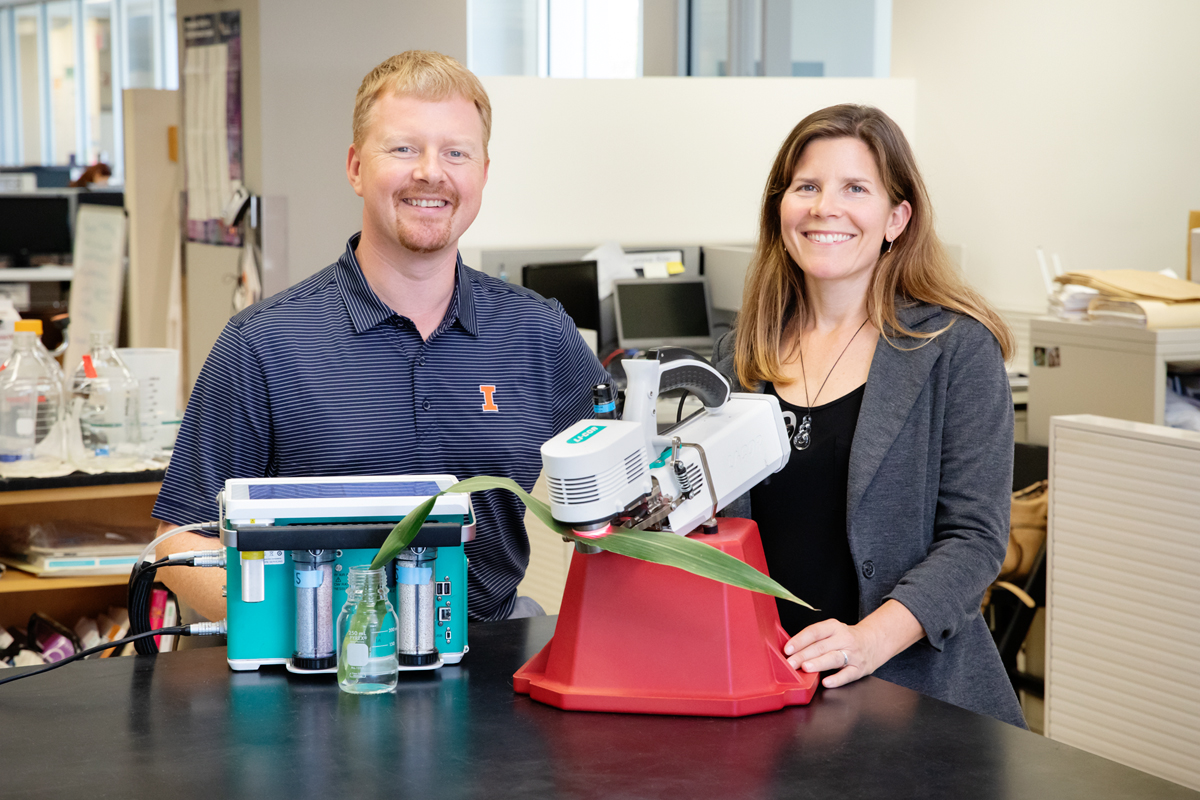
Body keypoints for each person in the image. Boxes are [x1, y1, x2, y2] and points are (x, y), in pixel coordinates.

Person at [153, 51, 607, 623]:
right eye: (403, 148)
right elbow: (178, 545)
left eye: (456, 152)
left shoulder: (537, 334)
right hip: (315, 671)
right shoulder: (264, 343)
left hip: (491, 672)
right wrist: (309, 621)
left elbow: (631, 497)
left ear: (484, 173)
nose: (431, 172)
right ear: (355, 167)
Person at [712, 104, 1025, 727]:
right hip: (769, 690)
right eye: (807, 186)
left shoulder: (955, 348)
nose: (826, 207)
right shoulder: (738, 354)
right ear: (782, 209)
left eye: (856, 188)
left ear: (896, 218)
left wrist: (869, 639)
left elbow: (975, 540)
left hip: (916, 701)